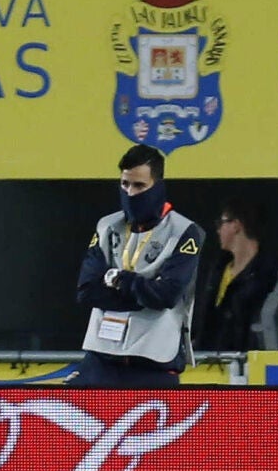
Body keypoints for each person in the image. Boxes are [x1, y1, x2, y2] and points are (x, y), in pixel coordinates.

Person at [70, 145, 204, 388]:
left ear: (158, 185)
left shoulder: (184, 232)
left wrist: (118, 280)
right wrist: (142, 293)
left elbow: (166, 295)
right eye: (125, 184)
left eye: (139, 186)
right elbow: (87, 290)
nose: (130, 193)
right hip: (102, 359)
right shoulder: (107, 226)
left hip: (153, 361)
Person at [194, 198, 278, 353]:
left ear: (236, 225)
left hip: (245, 361)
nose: (218, 230)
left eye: (221, 223)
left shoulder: (269, 271)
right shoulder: (218, 269)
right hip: (211, 358)